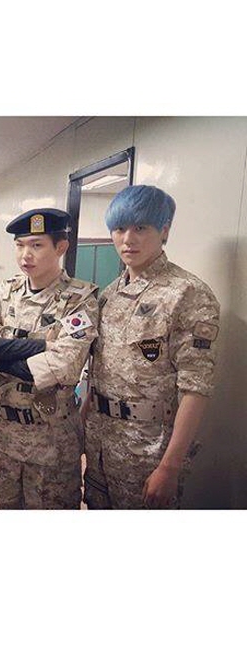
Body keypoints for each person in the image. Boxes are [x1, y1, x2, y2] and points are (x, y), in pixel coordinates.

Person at [83, 185, 220, 509]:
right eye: (120, 229)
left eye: (141, 228)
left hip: (148, 452)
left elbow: (196, 387)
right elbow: (100, 370)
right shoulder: (109, 294)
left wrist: (169, 467)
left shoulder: (187, 294)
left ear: (164, 231)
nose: (128, 239)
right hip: (100, 443)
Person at [0, 208, 98, 509]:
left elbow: (62, 366)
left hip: (51, 443)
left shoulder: (80, 300)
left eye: (37, 245)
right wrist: (39, 347)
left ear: (61, 247)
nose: (26, 255)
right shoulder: (4, 293)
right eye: (20, 245)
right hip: (1, 437)